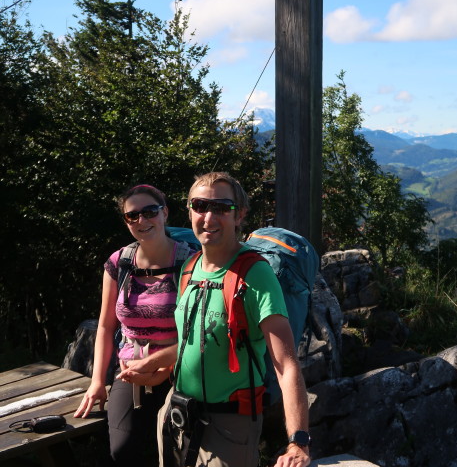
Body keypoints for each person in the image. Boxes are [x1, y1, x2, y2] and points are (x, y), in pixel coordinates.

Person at [137, 172, 311, 467]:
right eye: (200, 205)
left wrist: (298, 441)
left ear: (240, 214)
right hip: (177, 413)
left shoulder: (256, 275)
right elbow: (197, 340)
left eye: (221, 208)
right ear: (189, 210)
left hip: (230, 425)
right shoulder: (190, 268)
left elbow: (286, 364)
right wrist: (156, 362)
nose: (209, 216)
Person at [74, 184, 193, 465]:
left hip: (181, 369)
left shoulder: (190, 261)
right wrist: (97, 383)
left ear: (164, 212)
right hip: (130, 370)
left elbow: (199, 329)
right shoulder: (119, 263)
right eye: (132, 216)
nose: (142, 220)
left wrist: (164, 369)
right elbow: (105, 326)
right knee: (123, 449)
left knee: (177, 450)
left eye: (150, 211)